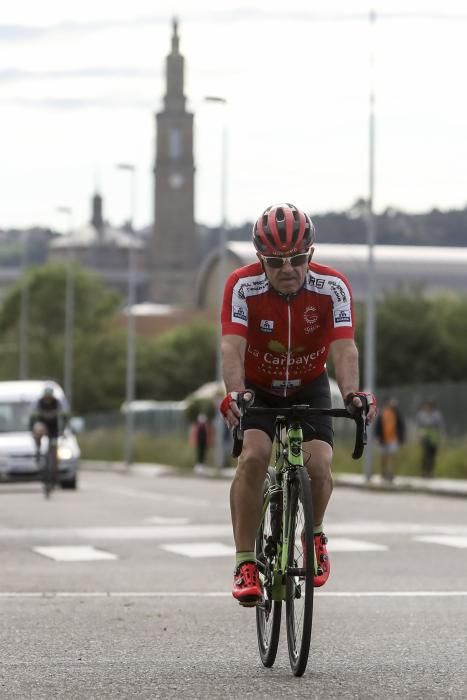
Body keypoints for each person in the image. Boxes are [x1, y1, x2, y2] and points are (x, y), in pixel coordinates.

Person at [219, 203, 377, 606]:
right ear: (260, 260)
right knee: (254, 456)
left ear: (311, 253)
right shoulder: (242, 286)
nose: (287, 269)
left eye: (297, 259)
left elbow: (344, 349)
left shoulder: (333, 287)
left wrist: (353, 394)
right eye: (274, 262)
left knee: (320, 465)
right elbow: (231, 346)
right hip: (259, 387)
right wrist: (235, 392)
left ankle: (316, 533)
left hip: (309, 384)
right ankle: (245, 561)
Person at [30, 385, 69, 482]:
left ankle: (54, 466)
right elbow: (32, 417)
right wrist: (32, 430)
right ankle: (38, 450)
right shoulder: (39, 402)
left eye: (49, 397)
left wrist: (63, 430)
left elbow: (64, 416)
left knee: (54, 446)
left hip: (53, 427)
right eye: (46, 397)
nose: (48, 399)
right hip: (43, 425)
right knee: (38, 430)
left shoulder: (57, 402)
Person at [374, 397, 405, 482]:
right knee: (383, 458)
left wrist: (401, 438)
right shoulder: (381, 413)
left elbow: (401, 426)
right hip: (383, 439)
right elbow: (377, 426)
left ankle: (391, 474)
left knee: (392, 457)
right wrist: (377, 437)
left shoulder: (396, 413)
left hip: (393, 439)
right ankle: (383, 473)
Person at [416, 399, 444, 478]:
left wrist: (440, 437)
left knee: (432, 454)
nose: (428, 407)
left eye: (429, 406)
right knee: (425, 453)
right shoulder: (421, 414)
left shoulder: (437, 415)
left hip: (433, 434)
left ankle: (431, 472)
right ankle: (423, 471)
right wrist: (419, 435)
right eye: (426, 406)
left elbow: (440, 426)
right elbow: (419, 425)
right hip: (424, 434)